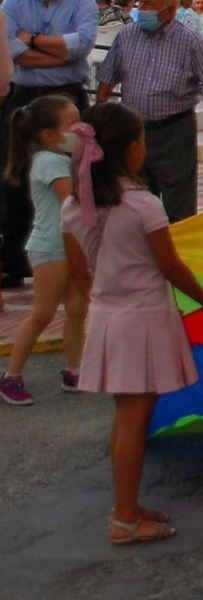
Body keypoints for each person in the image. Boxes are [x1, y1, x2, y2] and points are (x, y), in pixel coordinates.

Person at [61, 102, 203, 544]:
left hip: (107, 317)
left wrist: (105, 294)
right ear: (134, 150)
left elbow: (81, 275)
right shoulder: (143, 206)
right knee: (135, 419)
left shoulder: (76, 207)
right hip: (143, 321)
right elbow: (171, 267)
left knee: (125, 416)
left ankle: (128, 506)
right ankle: (124, 520)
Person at [1, 0, 98, 288]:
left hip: (67, 98)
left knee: (74, 178)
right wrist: (54, 49)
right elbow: (13, 51)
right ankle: (13, 262)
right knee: (14, 177)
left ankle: (79, 257)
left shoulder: (82, 5)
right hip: (24, 96)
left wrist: (31, 39)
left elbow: (80, 47)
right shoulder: (13, 4)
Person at [95, 0, 203, 224]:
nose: (140, 7)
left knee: (178, 205)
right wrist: (100, 115)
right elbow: (106, 79)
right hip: (133, 131)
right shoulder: (127, 36)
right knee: (135, 202)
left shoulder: (189, 41)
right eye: (140, 1)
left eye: (148, 4)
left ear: (169, 11)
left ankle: (178, 254)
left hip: (174, 130)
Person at [0, 96, 87, 405]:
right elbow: (70, 200)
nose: (80, 130)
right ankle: (11, 376)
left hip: (69, 245)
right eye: (72, 125)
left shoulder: (61, 159)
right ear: (49, 135)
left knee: (77, 309)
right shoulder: (50, 162)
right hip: (51, 247)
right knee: (43, 313)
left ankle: (75, 369)